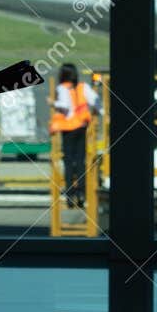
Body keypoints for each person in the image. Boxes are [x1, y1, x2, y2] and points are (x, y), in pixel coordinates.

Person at [50, 62, 99, 207]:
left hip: (68, 129)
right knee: (81, 161)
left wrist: (53, 103)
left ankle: (70, 195)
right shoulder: (83, 87)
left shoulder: (62, 88)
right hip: (82, 127)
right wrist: (99, 113)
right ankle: (82, 193)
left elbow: (64, 105)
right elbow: (96, 103)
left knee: (68, 162)